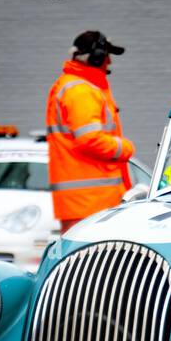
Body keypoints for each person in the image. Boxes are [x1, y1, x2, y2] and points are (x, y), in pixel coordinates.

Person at [46, 31, 135, 233]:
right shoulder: (81, 91)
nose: (110, 62)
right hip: (91, 203)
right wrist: (125, 148)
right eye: (107, 56)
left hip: (84, 203)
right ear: (95, 57)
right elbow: (89, 139)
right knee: (94, 262)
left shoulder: (75, 87)